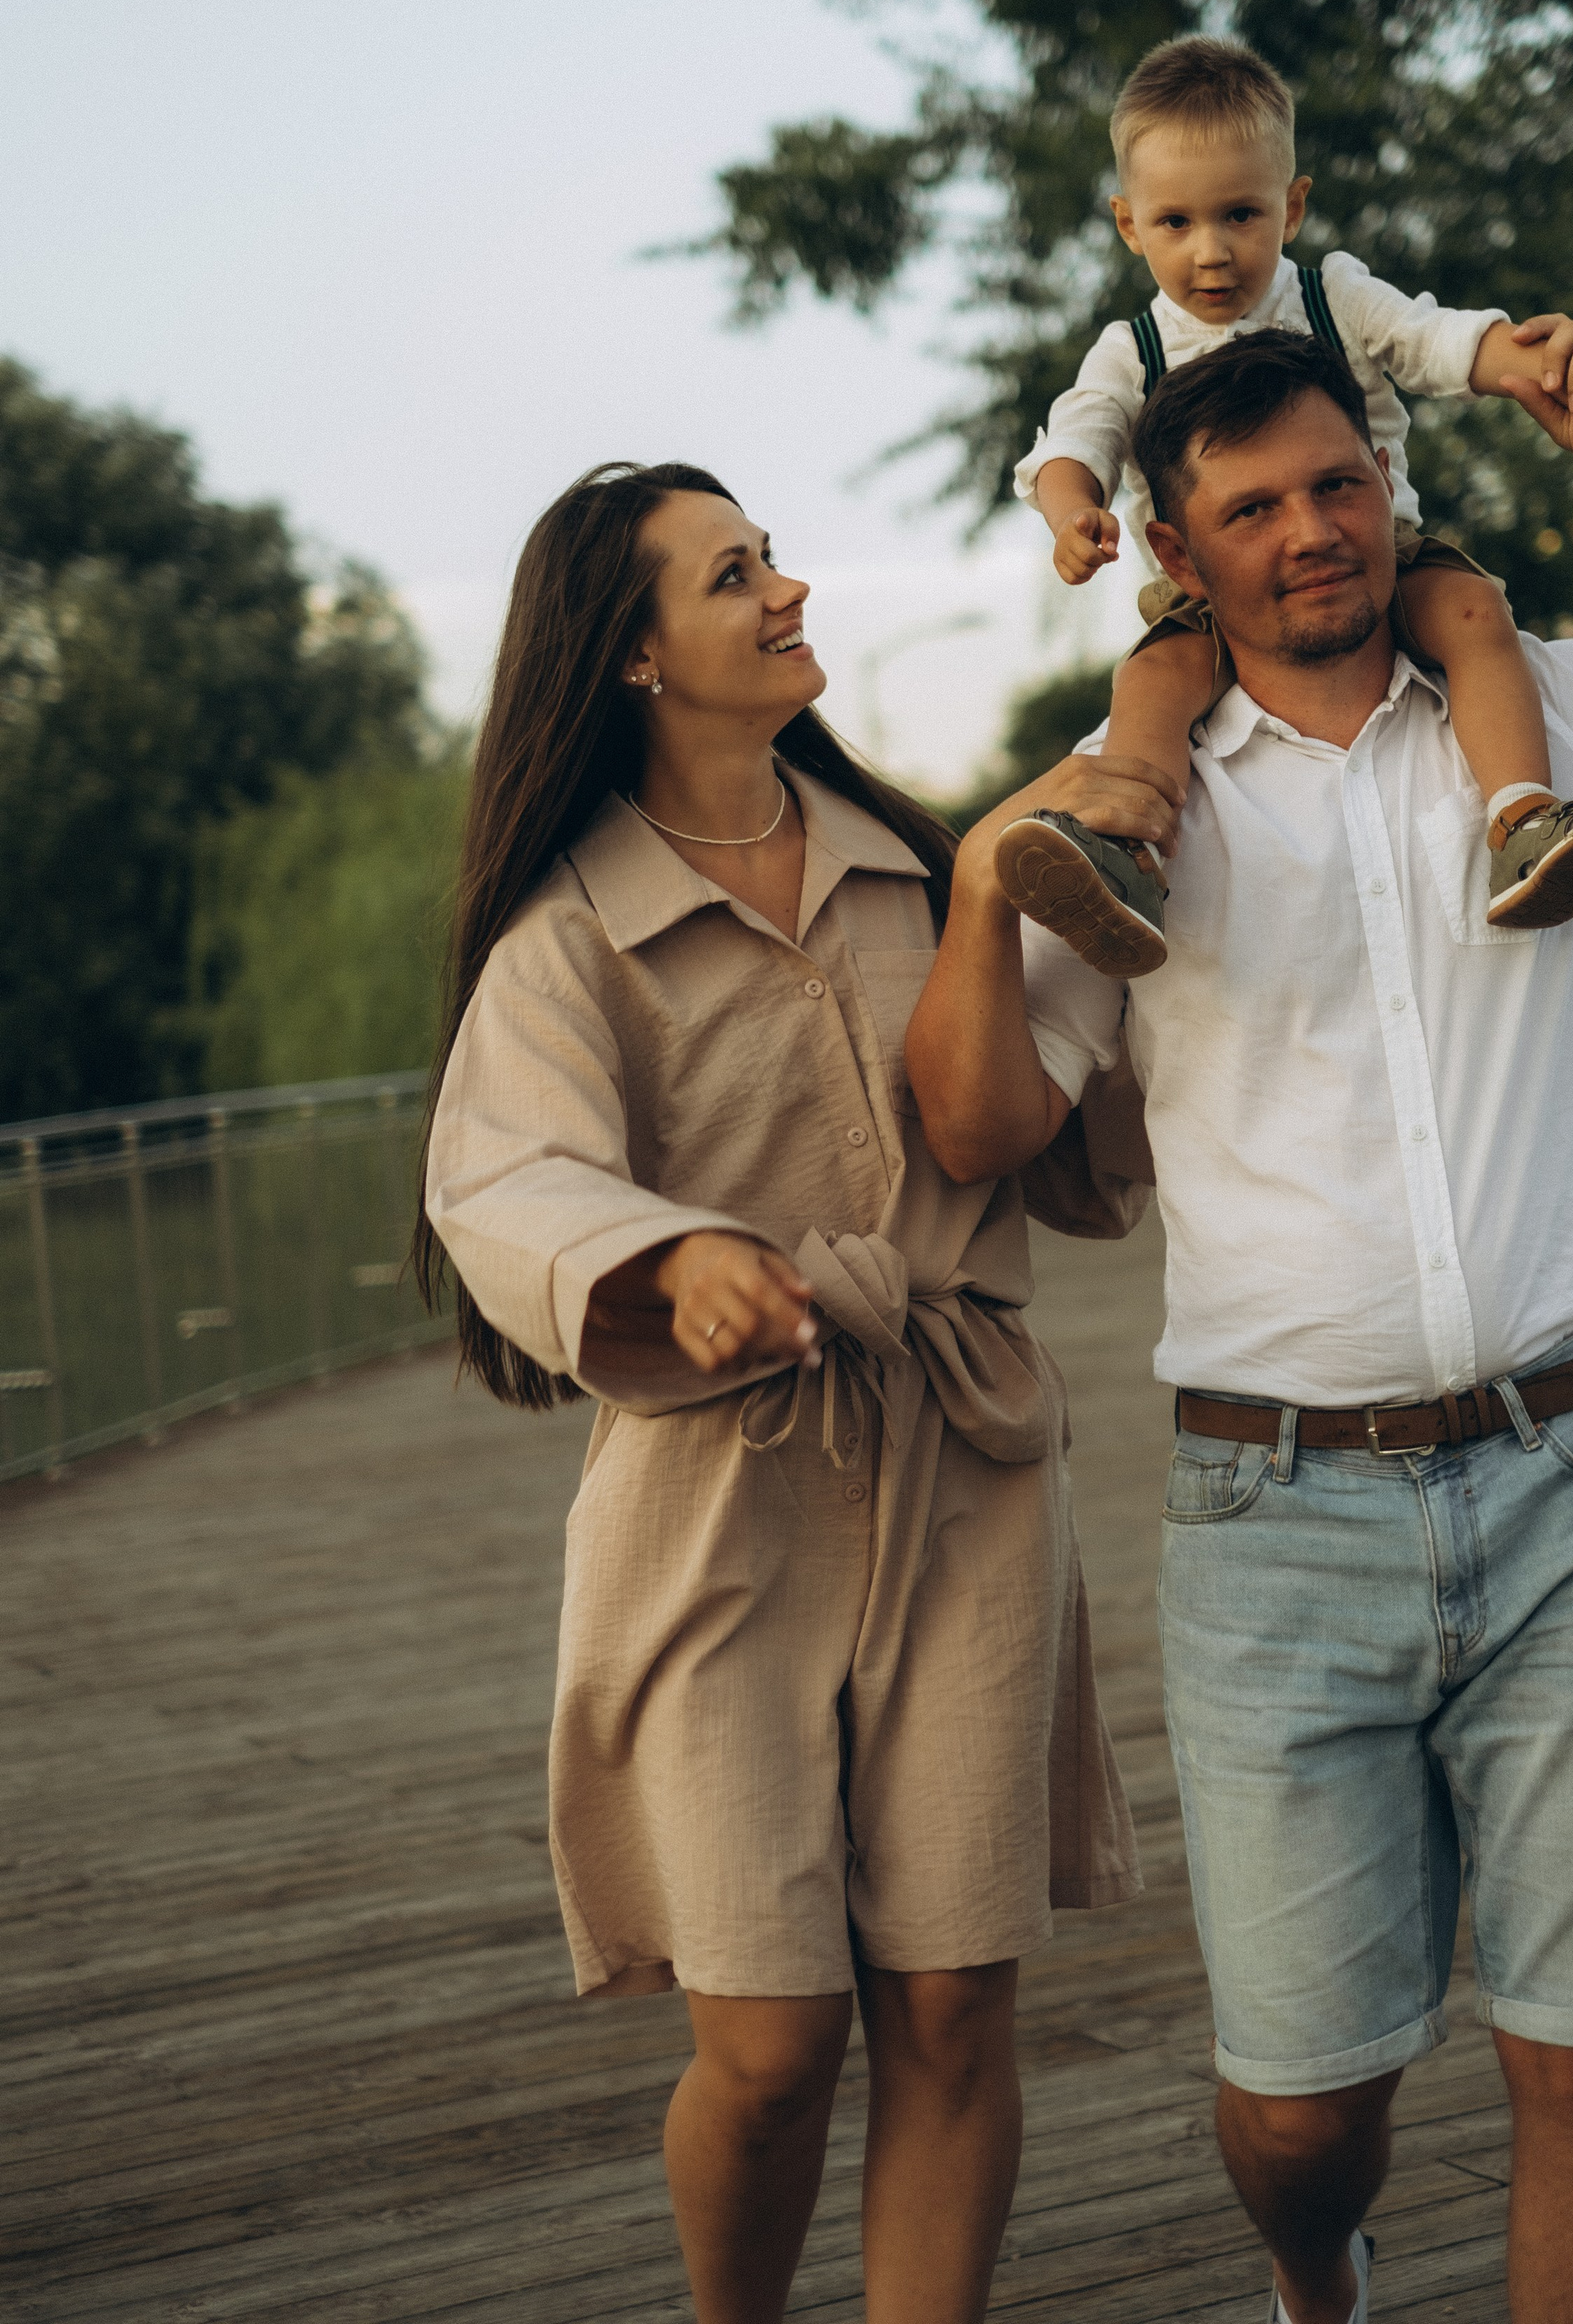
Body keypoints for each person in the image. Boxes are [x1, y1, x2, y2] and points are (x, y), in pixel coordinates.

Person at [905, 332, 1573, 2324]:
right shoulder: (1130, 809)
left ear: (1390, 480)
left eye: (1339, 484)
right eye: (1256, 509)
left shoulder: (1557, 716)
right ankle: (1319, 2270)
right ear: (1179, 557)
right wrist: (972, 895)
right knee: (1302, 2110)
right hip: (1281, 1522)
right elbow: (979, 1130)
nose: (1312, 535)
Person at [417, 460, 1140, 2324]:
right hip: (711, 1504)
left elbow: (1056, 1120)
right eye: (734, 573)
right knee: (767, 2034)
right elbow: (499, 1172)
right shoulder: (564, 933)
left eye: (768, 555)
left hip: (968, 1468)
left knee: (952, 1995)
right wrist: (670, 1256)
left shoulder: (920, 862)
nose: (785, 585)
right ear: (635, 655)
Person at [1000, 34, 1573, 973]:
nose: (1214, 251)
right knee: (1151, 684)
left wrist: (1547, 367)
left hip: (1379, 552)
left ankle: (1525, 817)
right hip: (1215, 597)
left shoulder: (1331, 294)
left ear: (1293, 205)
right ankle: (1129, 856)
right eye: (1176, 223)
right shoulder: (1131, 348)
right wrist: (1074, 512)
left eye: (1241, 214)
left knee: (1475, 612)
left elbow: (1438, 342)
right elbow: (1076, 440)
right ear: (1128, 225)